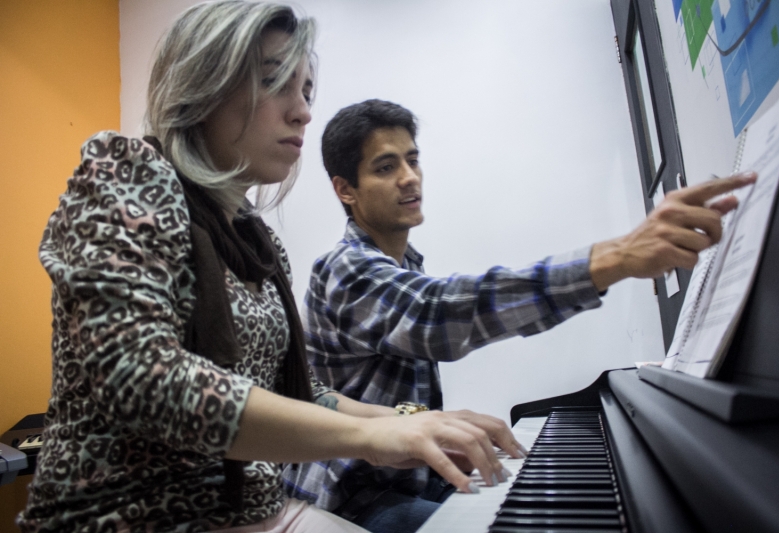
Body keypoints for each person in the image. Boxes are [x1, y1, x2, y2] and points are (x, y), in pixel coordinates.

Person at [17, 5, 524, 533]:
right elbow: (140, 378)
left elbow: (291, 393)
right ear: (203, 85)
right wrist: (371, 439)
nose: (304, 111)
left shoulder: (257, 243)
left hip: (250, 509)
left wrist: (411, 424)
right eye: (276, 82)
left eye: (306, 90)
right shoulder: (125, 173)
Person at [282, 99, 756, 532]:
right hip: (351, 498)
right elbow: (437, 315)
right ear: (346, 190)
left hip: (406, 478)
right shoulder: (343, 269)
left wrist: (439, 426)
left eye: (413, 159)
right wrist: (616, 258)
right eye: (386, 167)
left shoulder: (405, 264)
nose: (409, 177)